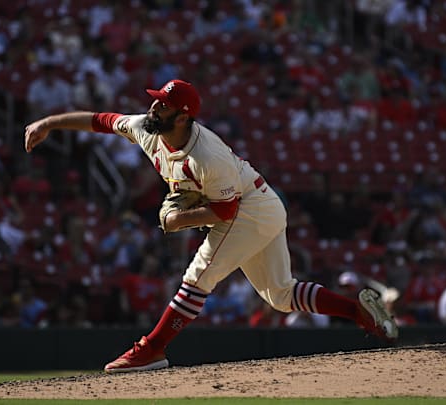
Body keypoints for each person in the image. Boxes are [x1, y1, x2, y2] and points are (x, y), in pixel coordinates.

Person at [24, 79, 398, 373]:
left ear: (183, 117)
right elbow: (101, 121)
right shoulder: (147, 128)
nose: (155, 105)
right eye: (157, 98)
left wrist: (176, 220)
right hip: (260, 202)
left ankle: (150, 350)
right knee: (281, 296)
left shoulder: (208, 155)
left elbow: (224, 212)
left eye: (164, 104)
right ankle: (359, 313)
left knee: (198, 276)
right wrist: (47, 123)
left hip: (248, 208)